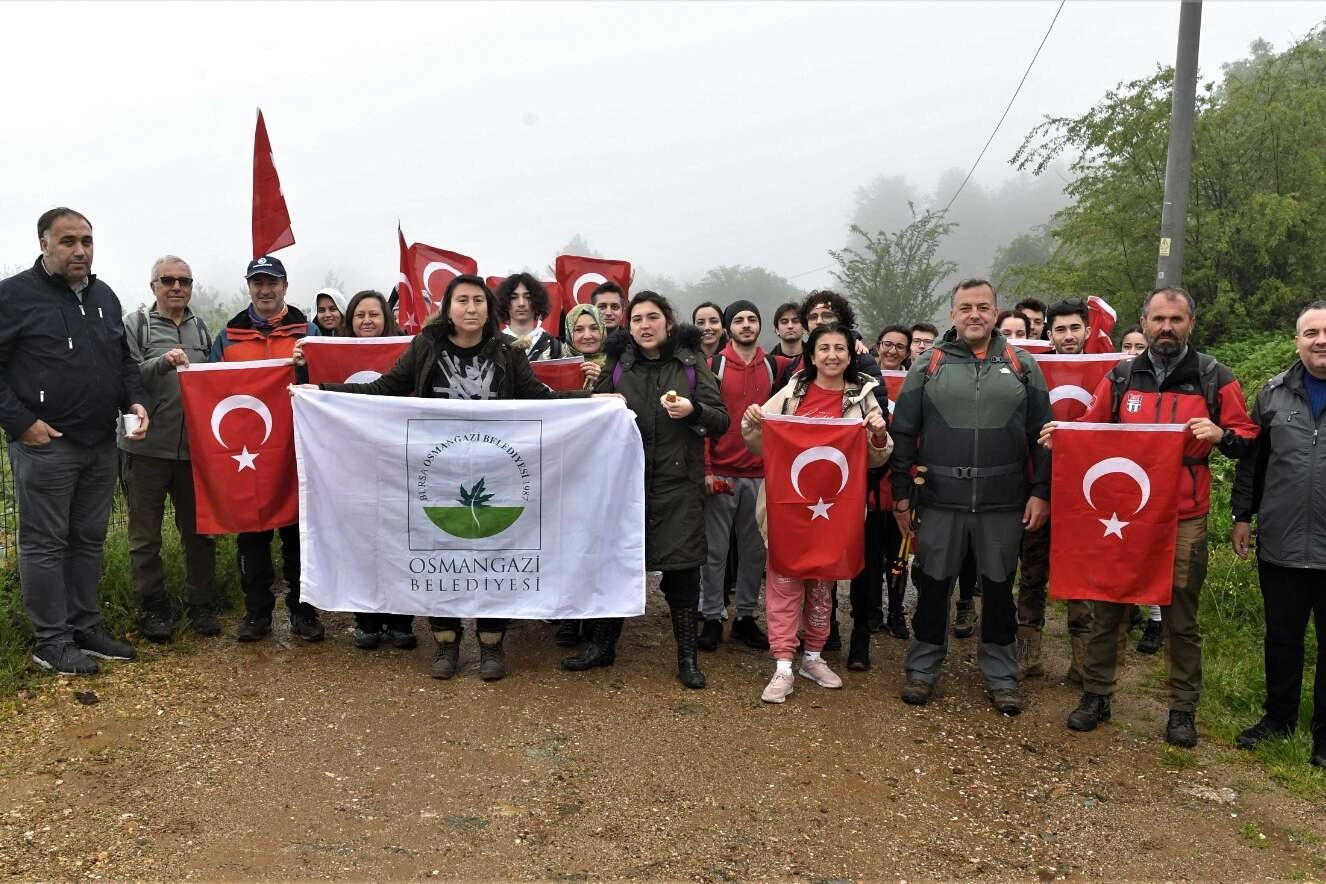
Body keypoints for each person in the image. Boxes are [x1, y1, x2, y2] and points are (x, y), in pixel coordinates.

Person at [322, 275, 591, 679]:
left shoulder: (507, 350)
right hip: (439, 471)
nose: (471, 308)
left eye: (478, 300)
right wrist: (321, 392)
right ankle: (445, 644)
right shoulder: (426, 346)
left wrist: (592, 401)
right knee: (439, 555)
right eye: (462, 300)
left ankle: (491, 646)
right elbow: (386, 388)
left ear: (489, 308)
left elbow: (541, 399)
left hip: (496, 470)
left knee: (494, 554)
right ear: (448, 308)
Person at [1050, 286, 1258, 747]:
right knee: (1109, 604)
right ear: (1143, 323)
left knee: (1180, 615)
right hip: (1124, 515)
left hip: (1184, 514)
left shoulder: (1214, 377)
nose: (1167, 328)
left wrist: (1221, 434)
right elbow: (1091, 429)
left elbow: (1248, 438)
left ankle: (1182, 709)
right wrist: (1061, 434)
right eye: (1158, 319)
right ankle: (1097, 694)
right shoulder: (1122, 376)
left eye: (1176, 320)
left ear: (1191, 324)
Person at [891, 278, 1052, 715]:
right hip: (941, 500)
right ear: (953, 314)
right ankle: (922, 670)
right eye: (965, 308)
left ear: (996, 312)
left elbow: (1045, 437)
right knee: (933, 587)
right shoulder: (929, 364)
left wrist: (1041, 494)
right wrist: (902, 496)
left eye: (983, 306)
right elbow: (903, 433)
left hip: (1003, 501)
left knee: (999, 591)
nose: (974, 314)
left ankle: (1002, 676)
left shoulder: (1023, 364)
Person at [0, 207, 149, 675]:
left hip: (99, 441)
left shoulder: (103, 295)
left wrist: (135, 401)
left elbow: (122, 359)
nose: (79, 249)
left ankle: (85, 626)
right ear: (44, 244)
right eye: (68, 241)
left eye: (86, 240)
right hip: (46, 445)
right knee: (44, 544)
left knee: (87, 538)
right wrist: (22, 422)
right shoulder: (14, 296)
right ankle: (52, 640)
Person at [568, 293, 729, 687]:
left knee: (683, 573)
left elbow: (721, 419)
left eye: (652, 317)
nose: (644, 324)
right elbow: (590, 410)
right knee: (616, 564)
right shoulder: (619, 365)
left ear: (667, 322)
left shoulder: (692, 364)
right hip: (626, 485)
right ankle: (603, 647)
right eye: (636, 318)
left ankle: (687, 658)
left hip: (678, 486)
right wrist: (594, 396)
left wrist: (694, 412)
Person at [742, 323, 892, 703]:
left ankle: (812, 656)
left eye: (839, 348)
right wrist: (753, 420)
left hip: (835, 512)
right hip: (789, 509)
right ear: (811, 354)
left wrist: (877, 433)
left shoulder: (863, 396)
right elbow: (761, 441)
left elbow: (878, 454)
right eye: (823, 348)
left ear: (850, 353)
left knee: (823, 589)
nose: (831, 355)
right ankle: (782, 664)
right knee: (784, 584)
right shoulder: (793, 391)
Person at [1230, 300, 1326, 768]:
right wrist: (1241, 516)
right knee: (1282, 638)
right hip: (1282, 544)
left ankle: (1324, 737)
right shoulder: (1271, 395)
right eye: (1311, 333)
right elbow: (1253, 463)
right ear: (1297, 341)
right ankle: (1279, 719)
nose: (1320, 340)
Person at [211, 255, 324, 644]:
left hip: (296, 449)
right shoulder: (228, 335)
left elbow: (325, 387)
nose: (265, 289)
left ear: (285, 286)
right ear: (248, 286)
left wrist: (306, 367)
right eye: (257, 282)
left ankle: (302, 611)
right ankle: (256, 613)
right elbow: (212, 391)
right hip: (247, 455)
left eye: (272, 282)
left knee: (297, 535)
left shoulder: (308, 331)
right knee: (252, 536)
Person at [299, 289, 413, 650]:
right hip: (351, 464)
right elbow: (313, 390)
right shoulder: (332, 353)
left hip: (397, 459)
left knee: (398, 539)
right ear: (351, 320)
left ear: (387, 319)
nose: (367, 321)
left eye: (374, 314)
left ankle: (400, 620)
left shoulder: (408, 354)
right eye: (360, 314)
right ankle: (366, 619)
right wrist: (303, 365)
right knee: (360, 540)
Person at [121, 256, 218, 643]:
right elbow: (124, 375)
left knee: (199, 532)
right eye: (168, 280)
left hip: (193, 451)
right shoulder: (136, 324)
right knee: (145, 537)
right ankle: (153, 606)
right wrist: (161, 362)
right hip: (145, 449)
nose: (176, 286)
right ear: (153, 286)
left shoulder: (202, 329)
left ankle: (202, 604)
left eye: (184, 280)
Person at [1016, 298, 1094, 682]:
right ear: (1048, 333)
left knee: (1081, 575)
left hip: (1085, 494)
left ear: (1088, 332)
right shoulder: (1035, 372)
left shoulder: (1105, 373)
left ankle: (1082, 662)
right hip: (1037, 485)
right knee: (1031, 571)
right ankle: (1028, 654)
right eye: (1060, 329)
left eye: (1074, 328)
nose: (1068, 336)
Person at [696, 300, 774, 652]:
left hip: (761, 473)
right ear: (729, 328)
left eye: (752, 319)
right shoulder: (714, 364)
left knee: (754, 552)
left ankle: (745, 616)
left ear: (759, 326)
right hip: (722, 473)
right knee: (714, 552)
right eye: (739, 320)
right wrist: (708, 469)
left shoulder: (775, 366)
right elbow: (703, 422)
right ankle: (711, 615)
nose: (746, 324)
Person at [849, 323, 912, 672]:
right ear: (876, 347)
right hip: (870, 482)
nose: (892, 350)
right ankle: (869, 612)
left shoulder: (916, 382)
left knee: (899, 555)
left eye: (900, 347)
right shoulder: (865, 384)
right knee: (868, 555)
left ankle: (897, 611)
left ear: (907, 352)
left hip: (902, 480)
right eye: (887, 344)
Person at [552, 303, 609, 648]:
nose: (587, 335)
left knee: (597, 543)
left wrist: (600, 380)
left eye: (593, 328)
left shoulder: (619, 365)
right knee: (565, 543)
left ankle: (597, 617)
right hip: (566, 467)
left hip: (602, 469)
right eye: (579, 329)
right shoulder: (558, 366)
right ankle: (568, 616)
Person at [497, 274, 563, 361]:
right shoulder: (493, 345)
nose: (521, 303)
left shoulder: (554, 346)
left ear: (537, 300)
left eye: (528, 297)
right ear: (505, 302)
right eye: (514, 297)